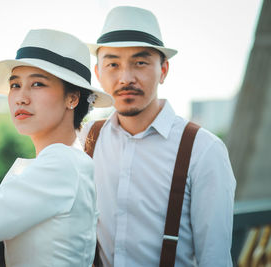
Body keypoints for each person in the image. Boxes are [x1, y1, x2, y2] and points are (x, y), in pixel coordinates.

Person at [0, 28, 113, 266]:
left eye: (37, 84)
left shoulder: (61, 163)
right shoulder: (56, 163)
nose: (21, 97)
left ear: (72, 98)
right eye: (15, 85)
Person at [79, 6, 236, 267]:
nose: (125, 78)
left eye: (140, 63)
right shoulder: (85, 140)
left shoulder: (203, 150)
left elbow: (215, 258)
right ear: (98, 73)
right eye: (113, 64)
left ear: (163, 70)